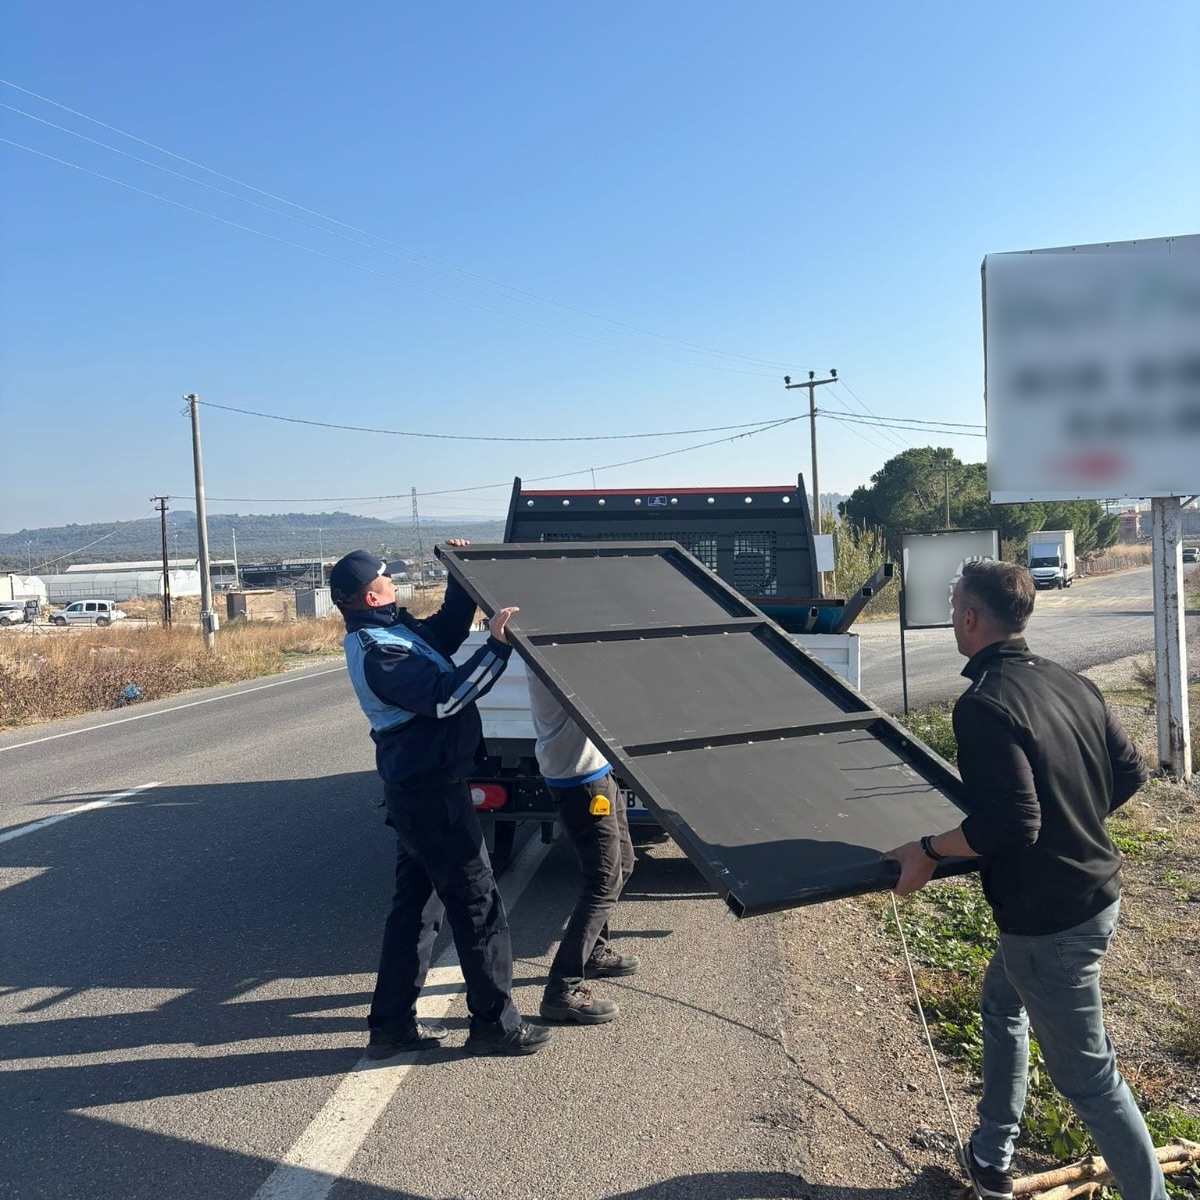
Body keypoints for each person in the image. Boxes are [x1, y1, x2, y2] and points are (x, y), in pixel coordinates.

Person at [884, 560, 1163, 1200]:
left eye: (955, 603)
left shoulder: (984, 705)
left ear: (972, 617)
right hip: (1094, 895)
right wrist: (1072, 825)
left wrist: (927, 850)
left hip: (1049, 922)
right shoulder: (1070, 681)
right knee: (1001, 1002)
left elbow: (1011, 823)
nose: (953, 613)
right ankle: (991, 1155)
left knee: (1091, 1081)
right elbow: (1128, 776)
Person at [331, 548, 552, 1059]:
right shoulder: (379, 651)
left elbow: (449, 628)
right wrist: (497, 648)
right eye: (387, 579)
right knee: (477, 905)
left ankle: (391, 1026)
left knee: (415, 911)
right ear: (371, 595)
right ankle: (496, 1024)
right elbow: (446, 697)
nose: (393, 582)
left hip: (421, 794)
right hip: (430, 797)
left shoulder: (393, 628)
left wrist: (459, 575)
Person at [526, 673, 638, 1025]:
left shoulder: (560, 639)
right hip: (580, 782)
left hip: (596, 771)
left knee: (624, 865)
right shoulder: (552, 653)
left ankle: (595, 952)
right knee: (602, 884)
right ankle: (561, 991)